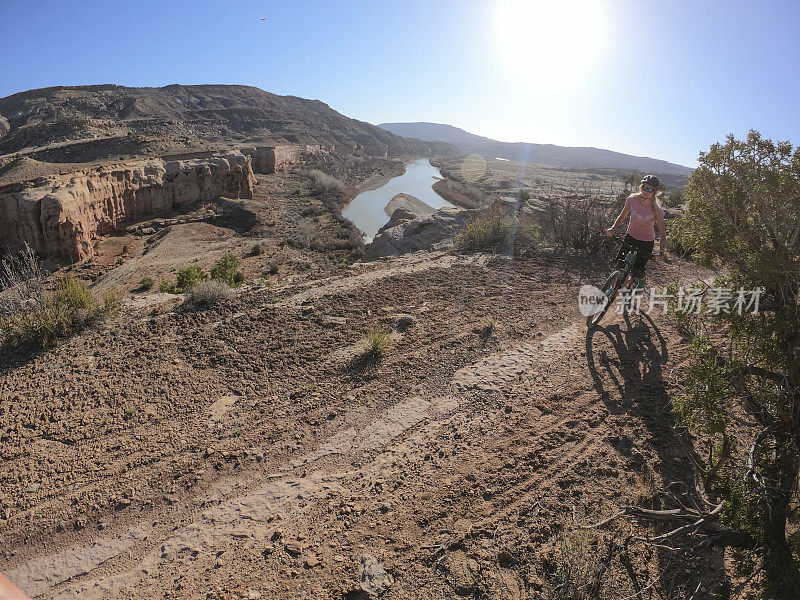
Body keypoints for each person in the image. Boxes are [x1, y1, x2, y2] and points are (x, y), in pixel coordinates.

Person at [604, 175, 666, 289]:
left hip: (646, 242)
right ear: (640, 187)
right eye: (644, 188)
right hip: (631, 236)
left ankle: (641, 279)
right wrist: (612, 229)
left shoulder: (657, 210)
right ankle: (612, 288)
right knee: (619, 264)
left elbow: (662, 234)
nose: (646, 191)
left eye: (650, 189)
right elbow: (622, 217)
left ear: (654, 192)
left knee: (638, 271)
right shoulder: (632, 200)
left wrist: (661, 252)